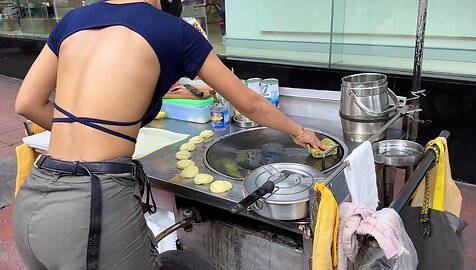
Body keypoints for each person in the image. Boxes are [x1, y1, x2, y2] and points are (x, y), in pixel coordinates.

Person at [13, 0, 331, 269]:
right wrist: (299, 130)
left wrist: (84, 132)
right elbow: (250, 102)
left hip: (35, 199)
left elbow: (27, 103)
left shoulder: (73, 20)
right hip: (92, 209)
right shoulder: (172, 29)